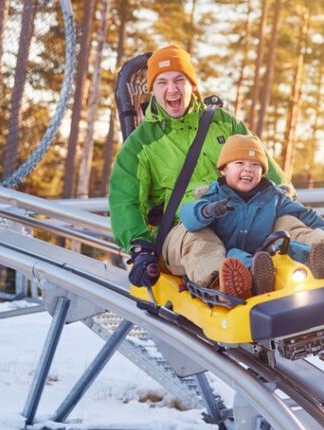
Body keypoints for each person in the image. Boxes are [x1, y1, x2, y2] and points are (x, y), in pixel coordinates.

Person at [108, 44, 289, 291]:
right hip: (184, 228)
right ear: (152, 90)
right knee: (200, 243)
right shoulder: (140, 144)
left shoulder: (222, 123)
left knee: (287, 224)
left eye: (178, 80)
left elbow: (261, 163)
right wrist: (139, 246)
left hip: (240, 216)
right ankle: (228, 283)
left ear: (192, 85)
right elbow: (124, 201)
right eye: (162, 83)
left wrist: (286, 200)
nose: (171, 89)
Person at [179, 135, 324, 299]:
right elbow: (188, 216)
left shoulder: (273, 197)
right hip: (233, 258)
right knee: (233, 259)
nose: (248, 169)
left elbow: (305, 216)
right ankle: (240, 284)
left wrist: (323, 235)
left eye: (255, 165)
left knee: (290, 228)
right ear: (223, 170)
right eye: (239, 163)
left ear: (262, 173)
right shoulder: (214, 198)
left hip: (268, 255)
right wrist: (208, 211)